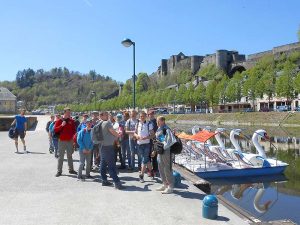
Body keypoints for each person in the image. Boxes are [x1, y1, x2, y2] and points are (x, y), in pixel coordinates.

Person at [99, 111, 125, 190]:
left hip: (102, 146)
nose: (108, 116)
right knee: (111, 165)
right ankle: (117, 183)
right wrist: (119, 134)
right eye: (106, 114)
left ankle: (104, 180)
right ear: (102, 116)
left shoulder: (99, 123)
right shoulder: (107, 123)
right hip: (108, 146)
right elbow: (113, 132)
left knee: (103, 164)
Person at [155, 116, 176, 194]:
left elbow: (171, 140)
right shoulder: (159, 128)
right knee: (160, 167)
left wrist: (163, 146)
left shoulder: (166, 129)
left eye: (158, 121)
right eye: (157, 121)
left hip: (166, 151)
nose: (157, 122)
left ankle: (170, 186)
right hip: (160, 151)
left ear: (163, 121)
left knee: (167, 168)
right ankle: (164, 184)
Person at [54, 107, 77, 177]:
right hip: (62, 141)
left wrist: (73, 139)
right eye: (67, 112)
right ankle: (59, 171)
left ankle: (71, 169)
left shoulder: (72, 121)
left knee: (69, 156)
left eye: (69, 112)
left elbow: (74, 130)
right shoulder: (59, 121)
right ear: (64, 112)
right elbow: (55, 130)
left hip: (70, 141)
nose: (69, 114)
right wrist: (61, 125)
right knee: (61, 156)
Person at [134, 111, 155, 183]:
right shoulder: (137, 124)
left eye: (143, 116)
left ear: (146, 116)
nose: (142, 117)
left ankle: (141, 176)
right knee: (146, 160)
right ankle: (152, 172)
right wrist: (137, 136)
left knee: (144, 159)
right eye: (141, 116)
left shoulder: (149, 124)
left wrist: (146, 137)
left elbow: (153, 135)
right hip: (139, 144)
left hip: (146, 144)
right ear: (139, 117)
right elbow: (135, 132)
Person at [148, 110, 158, 175]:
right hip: (148, 141)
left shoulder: (156, 122)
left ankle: (155, 170)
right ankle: (150, 170)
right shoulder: (148, 122)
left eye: (152, 114)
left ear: (153, 114)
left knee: (154, 156)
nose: (151, 115)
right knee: (148, 155)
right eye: (149, 114)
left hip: (154, 141)